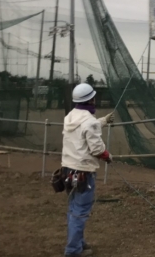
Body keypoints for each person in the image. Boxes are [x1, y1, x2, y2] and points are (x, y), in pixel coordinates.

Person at [61, 83, 114, 257]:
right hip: (83, 172)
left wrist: (103, 121)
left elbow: (86, 126)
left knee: (73, 208)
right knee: (80, 211)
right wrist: (108, 156)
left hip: (67, 169)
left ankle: (78, 243)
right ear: (91, 99)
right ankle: (73, 250)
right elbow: (97, 149)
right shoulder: (89, 121)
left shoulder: (70, 116)